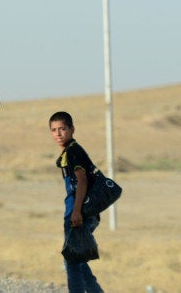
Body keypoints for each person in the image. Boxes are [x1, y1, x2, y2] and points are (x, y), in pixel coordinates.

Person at [49, 111, 104, 293]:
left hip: (78, 212)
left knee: (72, 261)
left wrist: (76, 211)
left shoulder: (73, 151)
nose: (58, 134)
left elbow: (82, 180)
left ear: (72, 129)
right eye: (54, 130)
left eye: (62, 129)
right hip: (79, 211)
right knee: (77, 260)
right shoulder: (70, 151)